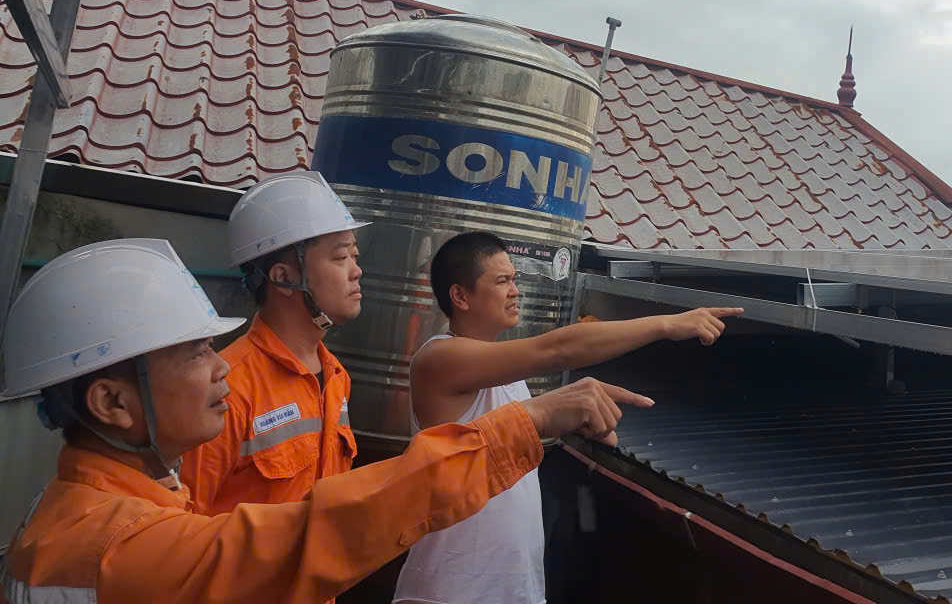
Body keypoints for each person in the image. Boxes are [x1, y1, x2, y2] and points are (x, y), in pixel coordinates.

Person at [0, 238, 650, 604]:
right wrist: (530, 421)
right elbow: (318, 528)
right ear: (111, 404)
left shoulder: (111, 507)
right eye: (195, 353)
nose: (220, 368)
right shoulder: (117, 547)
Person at [393, 231, 743, 604]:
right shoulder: (438, 359)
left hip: (514, 591)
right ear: (460, 296)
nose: (515, 291)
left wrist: (583, 418)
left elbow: (515, 437)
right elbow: (557, 349)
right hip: (448, 591)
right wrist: (666, 325)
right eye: (502, 281)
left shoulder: (509, 379)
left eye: (514, 279)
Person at [181, 171, 366, 515]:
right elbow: (186, 524)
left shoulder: (336, 377)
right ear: (283, 277)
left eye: (355, 256)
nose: (356, 271)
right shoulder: (227, 388)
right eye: (341, 258)